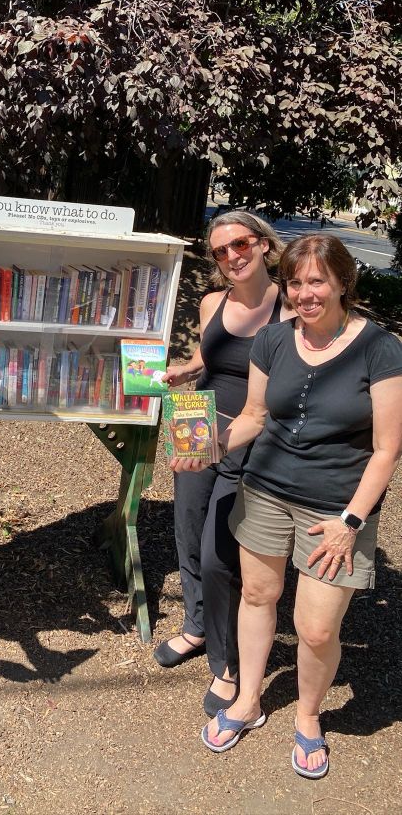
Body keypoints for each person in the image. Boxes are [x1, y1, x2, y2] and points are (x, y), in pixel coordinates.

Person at [197, 234, 402, 777]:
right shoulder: (273, 339)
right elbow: (254, 416)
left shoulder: (380, 348)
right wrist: (210, 448)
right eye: (294, 282)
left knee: (316, 630)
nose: (305, 293)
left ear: (342, 281)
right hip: (265, 492)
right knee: (258, 596)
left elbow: (387, 449)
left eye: (316, 281)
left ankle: (308, 716)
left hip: (336, 510)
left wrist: (350, 522)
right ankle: (248, 699)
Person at [155, 211, 288, 718]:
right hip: (197, 426)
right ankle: (195, 625)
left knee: (221, 555)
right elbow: (210, 358)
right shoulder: (213, 301)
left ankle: (227, 660)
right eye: (220, 251)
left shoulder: (290, 308)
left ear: (264, 245)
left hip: (252, 439)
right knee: (187, 531)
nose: (232, 256)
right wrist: (183, 371)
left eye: (241, 244)